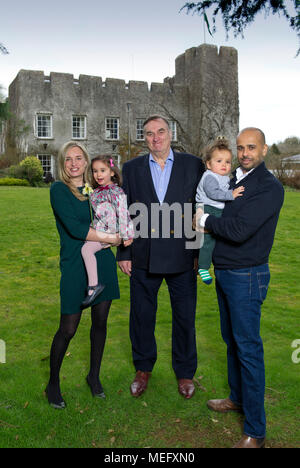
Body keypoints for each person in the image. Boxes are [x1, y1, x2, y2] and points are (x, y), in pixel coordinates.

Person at [197, 128, 284, 448]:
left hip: (247, 275)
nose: (245, 152)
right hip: (226, 272)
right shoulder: (233, 178)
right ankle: (236, 398)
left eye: (251, 147)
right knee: (232, 341)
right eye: (240, 148)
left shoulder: (268, 187)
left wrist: (204, 222)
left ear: (263, 149)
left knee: (248, 350)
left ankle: (255, 431)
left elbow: (239, 229)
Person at [117, 115, 205, 399]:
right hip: (144, 255)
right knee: (142, 317)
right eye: (149, 133)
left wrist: (199, 254)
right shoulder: (131, 169)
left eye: (161, 131)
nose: (156, 137)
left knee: (184, 318)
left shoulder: (194, 165)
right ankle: (143, 369)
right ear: (144, 138)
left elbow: (201, 209)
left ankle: (185, 373)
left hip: (183, 256)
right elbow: (124, 213)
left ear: (171, 133)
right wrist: (124, 252)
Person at [46, 142, 121, 409]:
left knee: (100, 323)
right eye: (68, 159)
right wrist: (111, 237)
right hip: (75, 264)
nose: (74, 164)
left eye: (79, 158)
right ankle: (53, 384)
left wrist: (119, 230)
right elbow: (77, 229)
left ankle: (94, 377)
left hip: (102, 260)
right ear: (62, 164)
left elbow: (110, 211)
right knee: (68, 328)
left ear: (86, 161)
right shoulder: (58, 190)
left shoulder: (92, 188)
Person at [81, 155, 134, 308]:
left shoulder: (116, 192)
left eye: (103, 170)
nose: (98, 175)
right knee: (85, 247)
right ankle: (91, 283)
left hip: (109, 231)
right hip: (99, 228)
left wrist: (127, 234)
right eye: (95, 171)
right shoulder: (95, 191)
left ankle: (93, 286)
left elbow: (123, 213)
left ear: (112, 172)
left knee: (86, 250)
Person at [195, 137, 244, 285]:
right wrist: (232, 194)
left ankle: (212, 263)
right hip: (206, 208)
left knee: (217, 238)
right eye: (219, 161)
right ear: (209, 164)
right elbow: (213, 194)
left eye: (227, 162)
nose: (224, 165)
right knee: (208, 240)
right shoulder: (210, 177)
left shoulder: (222, 176)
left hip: (214, 208)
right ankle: (203, 267)